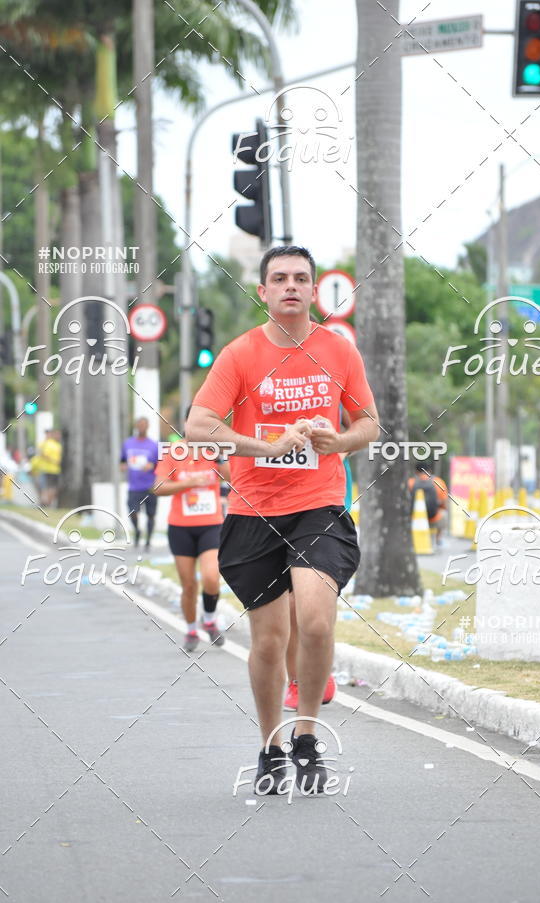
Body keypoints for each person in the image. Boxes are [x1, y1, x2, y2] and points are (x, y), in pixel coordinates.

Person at [187, 245, 379, 795]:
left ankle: (307, 734)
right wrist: (263, 447)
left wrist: (339, 440)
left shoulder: (338, 351)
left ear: (314, 290)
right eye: (279, 278)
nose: (290, 285)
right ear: (263, 291)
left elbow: (369, 423)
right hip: (254, 511)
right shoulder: (240, 354)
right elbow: (199, 424)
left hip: (318, 503)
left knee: (316, 621)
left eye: (301, 278)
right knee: (268, 640)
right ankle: (271, 744)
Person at [283, 406, 352, 712]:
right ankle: (296, 680)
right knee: (289, 603)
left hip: (326, 501)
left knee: (316, 600)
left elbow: (363, 425)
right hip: (278, 502)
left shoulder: (332, 384)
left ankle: (319, 665)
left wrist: (339, 444)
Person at [153, 409, 230, 652]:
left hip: (211, 525)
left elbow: (233, 478)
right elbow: (158, 486)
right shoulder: (173, 451)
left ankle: (209, 620)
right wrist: (188, 483)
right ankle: (191, 629)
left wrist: (220, 458)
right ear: (187, 423)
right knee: (188, 585)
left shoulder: (215, 451)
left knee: (211, 577)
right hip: (181, 527)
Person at [121, 417, 159, 550]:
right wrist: (123, 466)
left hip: (150, 486)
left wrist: (152, 465)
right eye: (139, 425)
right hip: (134, 486)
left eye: (144, 425)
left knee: (151, 515)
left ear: (148, 426)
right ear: (135, 426)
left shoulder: (153, 445)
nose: (141, 427)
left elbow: (160, 465)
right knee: (132, 512)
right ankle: (137, 531)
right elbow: (122, 461)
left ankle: (148, 540)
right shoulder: (128, 444)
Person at [408, 463, 448, 546]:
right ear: (429, 471)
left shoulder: (410, 482)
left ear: (416, 472)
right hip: (434, 518)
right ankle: (438, 539)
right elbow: (444, 503)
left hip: (414, 519)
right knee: (444, 514)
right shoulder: (438, 482)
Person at [37, 428, 62, 507]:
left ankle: (47, 503)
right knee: (49, 487)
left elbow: (43, 454)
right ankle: (46, 502)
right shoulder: (50, 444)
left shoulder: (54, 444)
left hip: (53, 469)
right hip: (49, 469)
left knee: (50, 487)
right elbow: (44, 454)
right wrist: (54, 461)